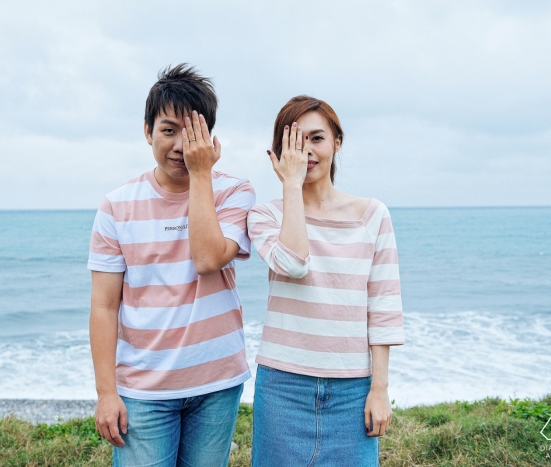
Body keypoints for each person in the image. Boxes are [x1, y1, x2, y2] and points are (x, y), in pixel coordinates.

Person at [87, 64, 255, 467]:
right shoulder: (116, 206)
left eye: (191, 131)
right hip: (143, 387)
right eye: (168, 130)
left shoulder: (234, 191)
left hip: (216, 381)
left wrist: (201, 175)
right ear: (147, 132)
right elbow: (104, 306)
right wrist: (107, 393)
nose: (180, 144)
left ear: (209, 137)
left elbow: (208, 258)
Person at [247, 95, 405, 466]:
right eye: (294, 142)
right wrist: (291, 187)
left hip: (353, 388)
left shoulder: (373, 215)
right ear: (279, 152)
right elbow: (293, 263)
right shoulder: (265, 215)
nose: (307, 152)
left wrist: (379, 389)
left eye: (316, 138)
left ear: (337, 142)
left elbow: (383, 305)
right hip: (283, 385)